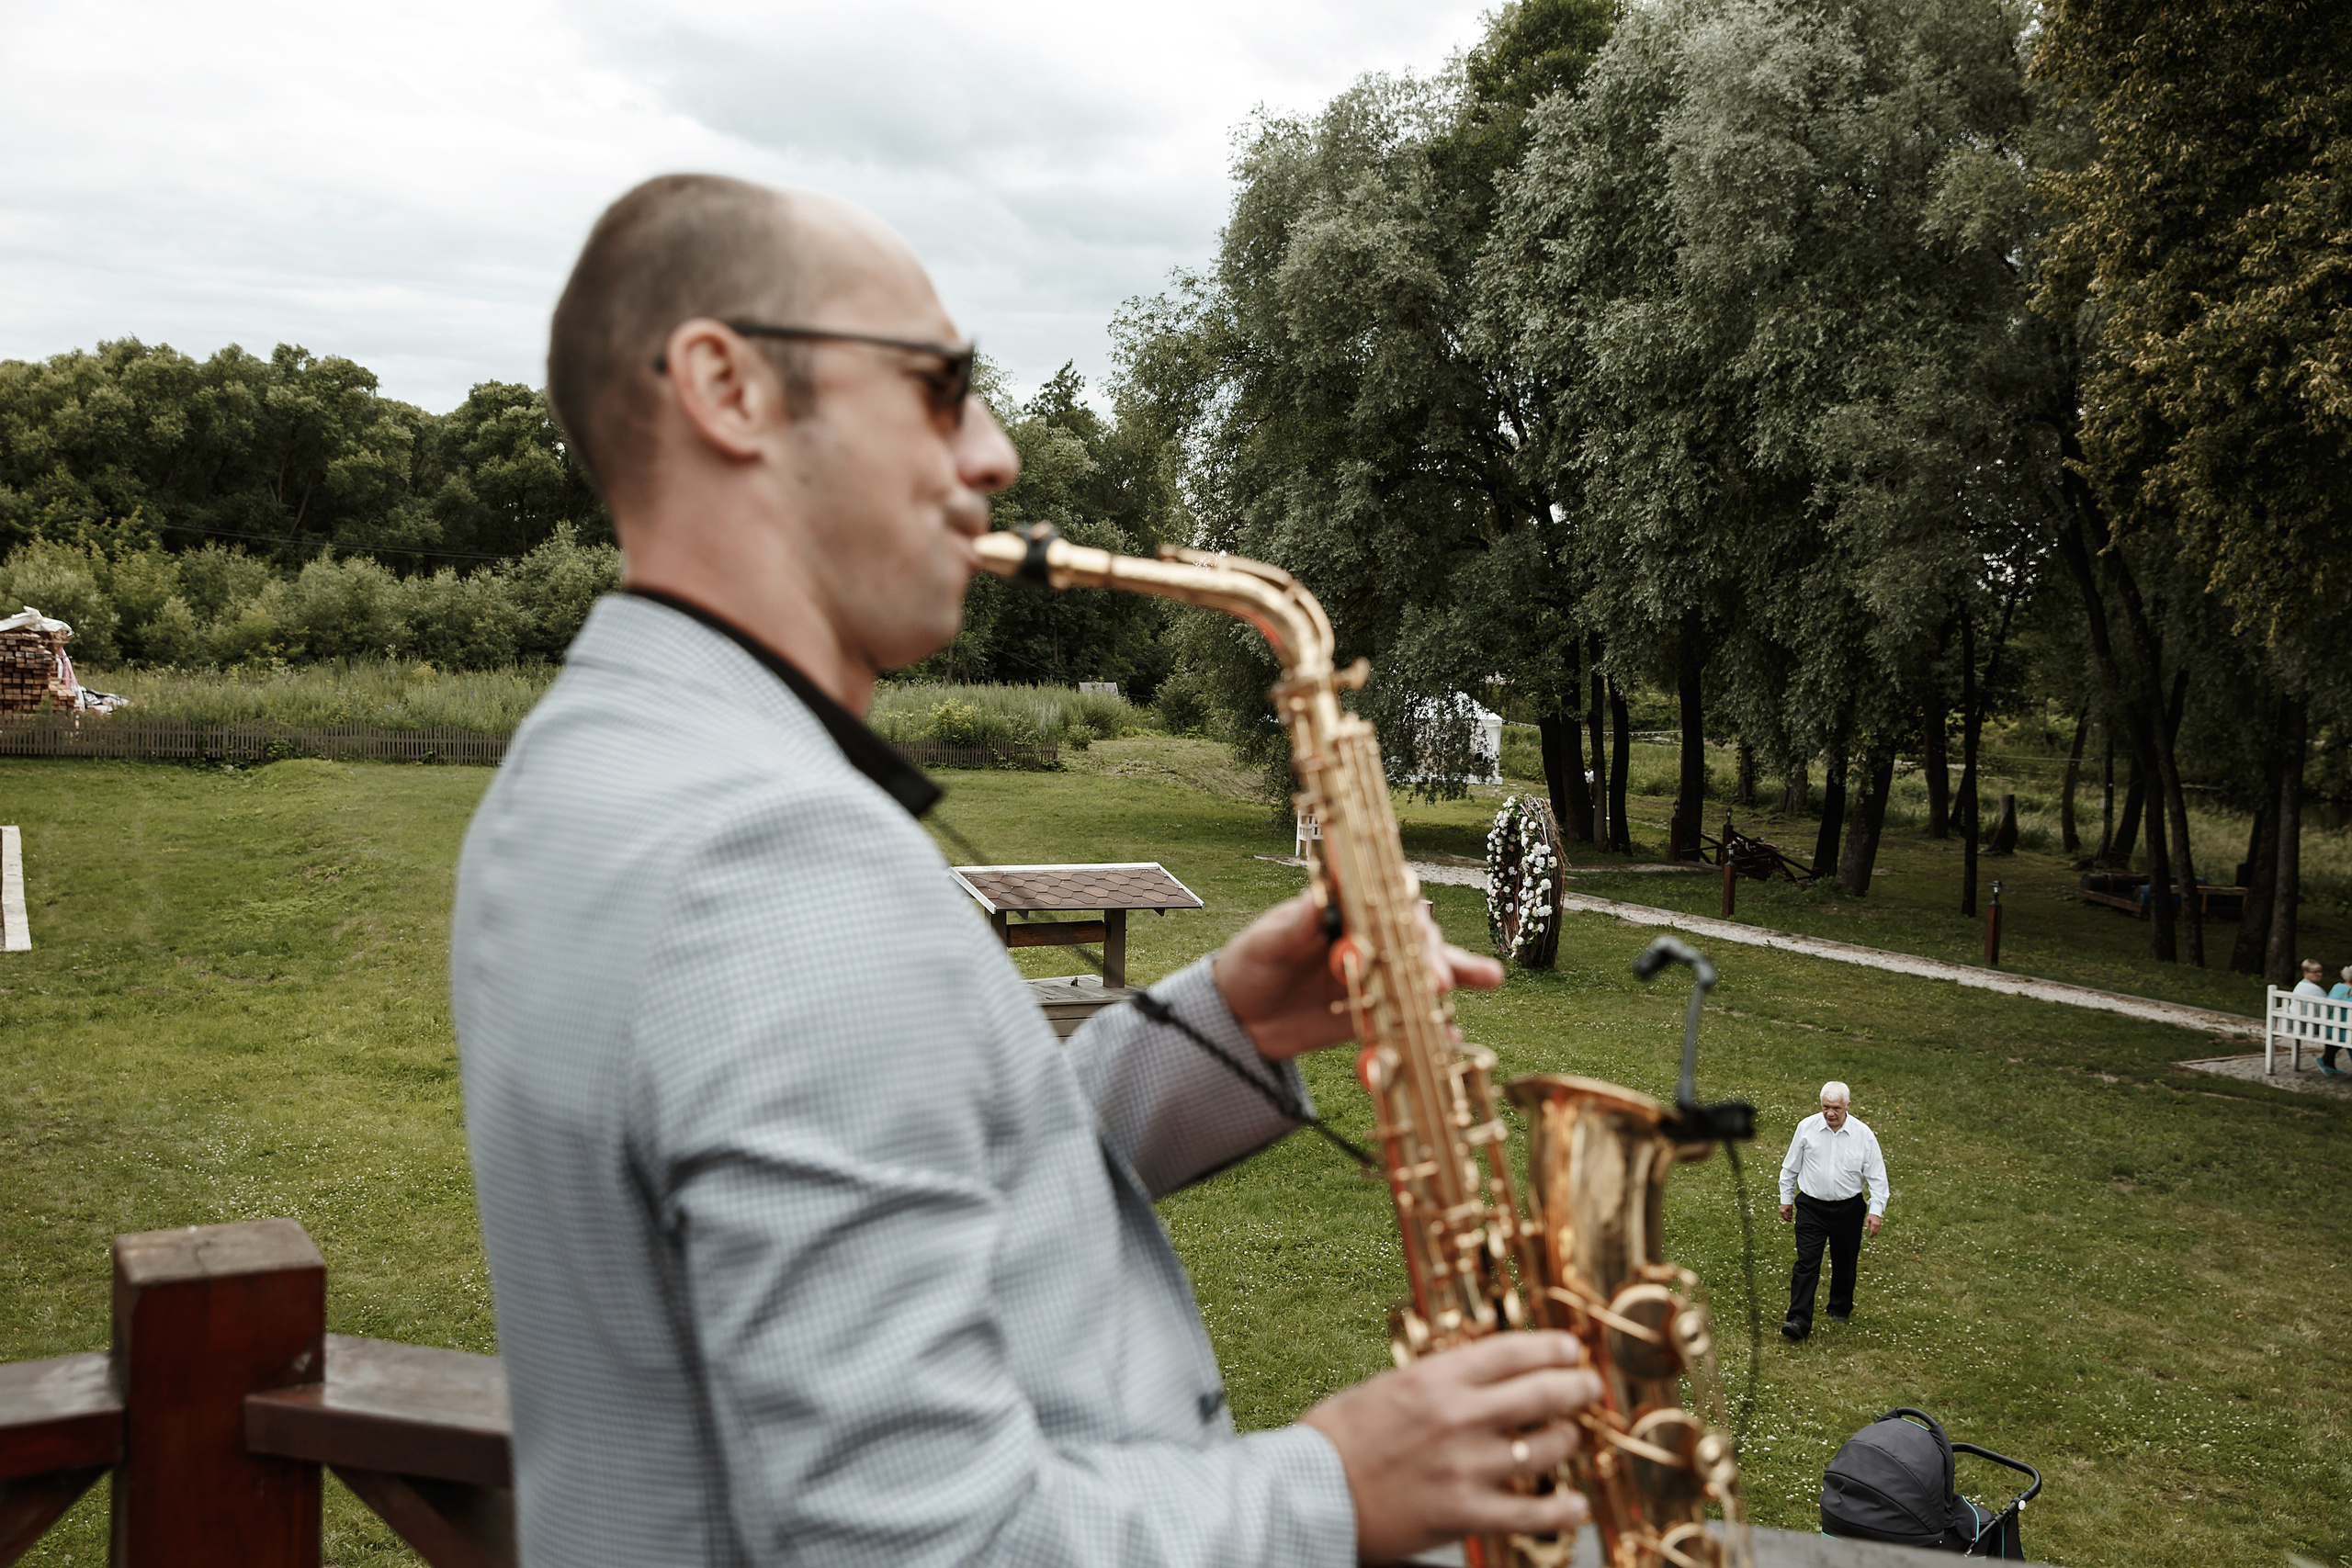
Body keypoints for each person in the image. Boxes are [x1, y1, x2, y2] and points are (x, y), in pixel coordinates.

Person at [449, 173, 1601, 1568]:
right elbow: (919, 1546)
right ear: (727, 386)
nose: (992, 454)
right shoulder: (771, 862)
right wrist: (1335, 1485)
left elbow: (894, 1181)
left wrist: (1220, 1025)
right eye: (943, 387)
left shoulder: (593, 761)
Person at [1776, 1080, 1889, 1341]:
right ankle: (1798, 1319)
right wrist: (1786, 1199)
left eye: (1836, 1108)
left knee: (1845, 1261)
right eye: (1825, 1107)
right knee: (1806, 1263)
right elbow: (1790, 1166)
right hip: (1811, 1207)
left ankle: (1840, 1307)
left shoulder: (1863, 1135)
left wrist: (1876, 1210)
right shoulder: (1806, 1128)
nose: (1830, 1113)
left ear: (1848, 1106)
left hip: (1848, 1208)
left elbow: (1877, 1177)